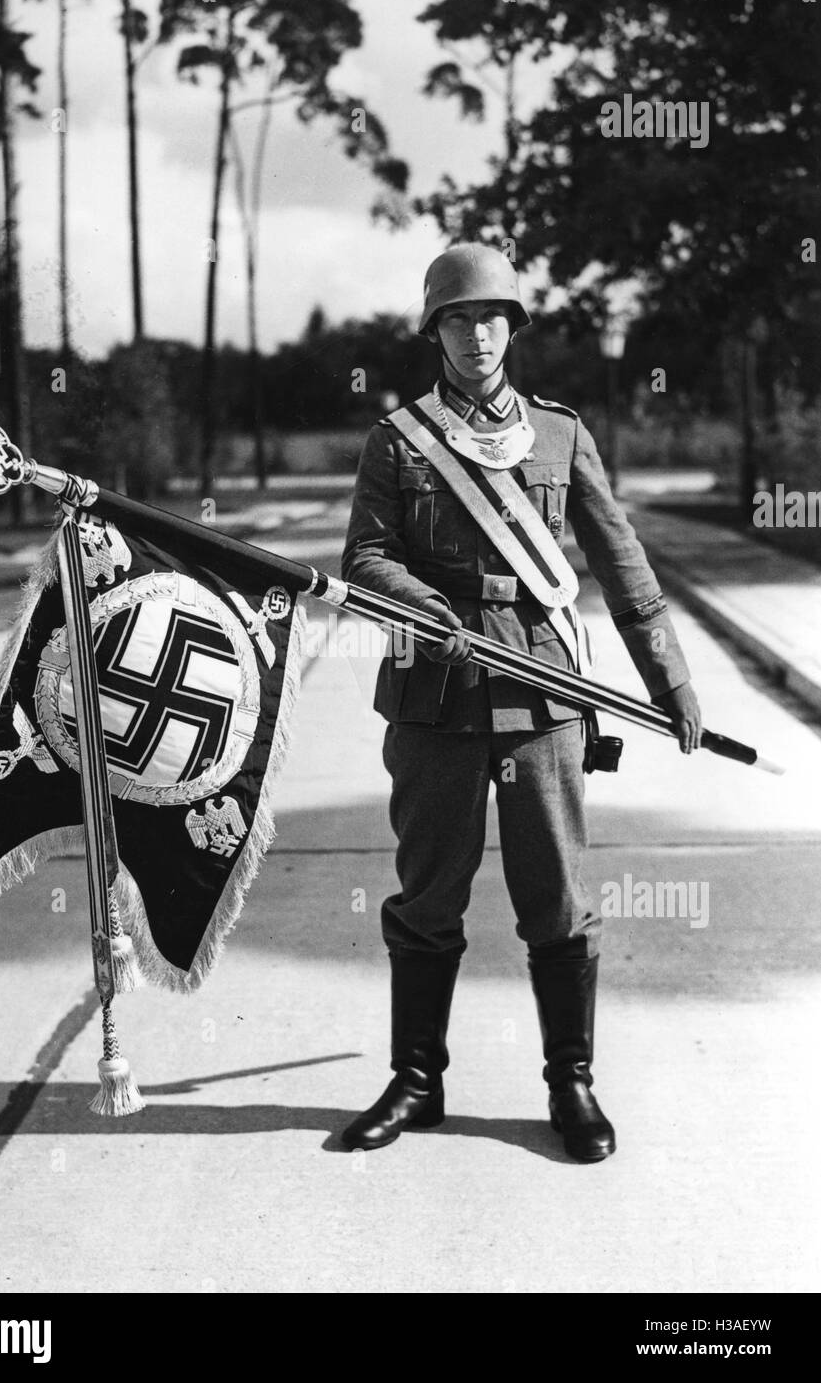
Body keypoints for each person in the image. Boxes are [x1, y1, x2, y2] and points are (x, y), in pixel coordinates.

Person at [340, 242, 702, 1161]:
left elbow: (624, 565)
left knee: (557, 900)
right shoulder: (397, 439)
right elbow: (364, 559)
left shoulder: (559, 436)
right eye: (458, 318)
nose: (477, 333)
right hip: (435, 698)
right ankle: (417, 1083)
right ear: (435, 331)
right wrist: (424, 604)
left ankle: (570, 1086)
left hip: (544, 692)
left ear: (514, 327)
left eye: (493, 316)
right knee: (427, 896)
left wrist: (670, 680)